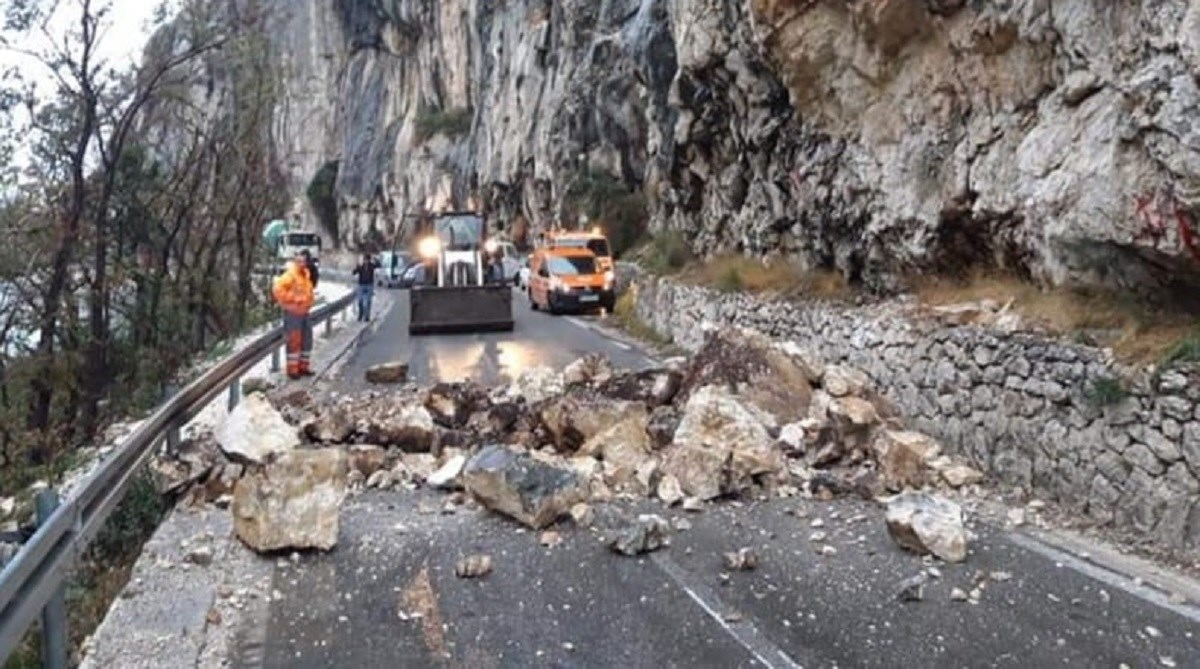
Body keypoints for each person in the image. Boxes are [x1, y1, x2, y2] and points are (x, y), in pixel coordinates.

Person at [272, 252, 315, 379]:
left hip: (304, 313)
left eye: (304, 261)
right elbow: (277, 289)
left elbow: (308, 293)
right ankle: (293, 370)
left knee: (307, 341)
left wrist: (308, 301)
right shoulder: (290, 275)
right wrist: (294, 298)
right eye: (300, 261)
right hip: (293, 314)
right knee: (294, 341)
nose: (302, 264)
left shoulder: (305, 275)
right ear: (296, 262)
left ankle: (303, 367)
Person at [352, 253, 381, 321]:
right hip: (361, 285)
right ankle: (361, 314)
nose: (365, 261)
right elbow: (354, 272)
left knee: (367, 301)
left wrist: (375, 259)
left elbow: (379, 265)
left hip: (369, 285)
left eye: (367, 260)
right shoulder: (361, 266)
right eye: (364, 260)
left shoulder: (371, 266)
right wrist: (357, 267)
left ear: (369, 260)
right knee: (360, 301)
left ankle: (367, 316)